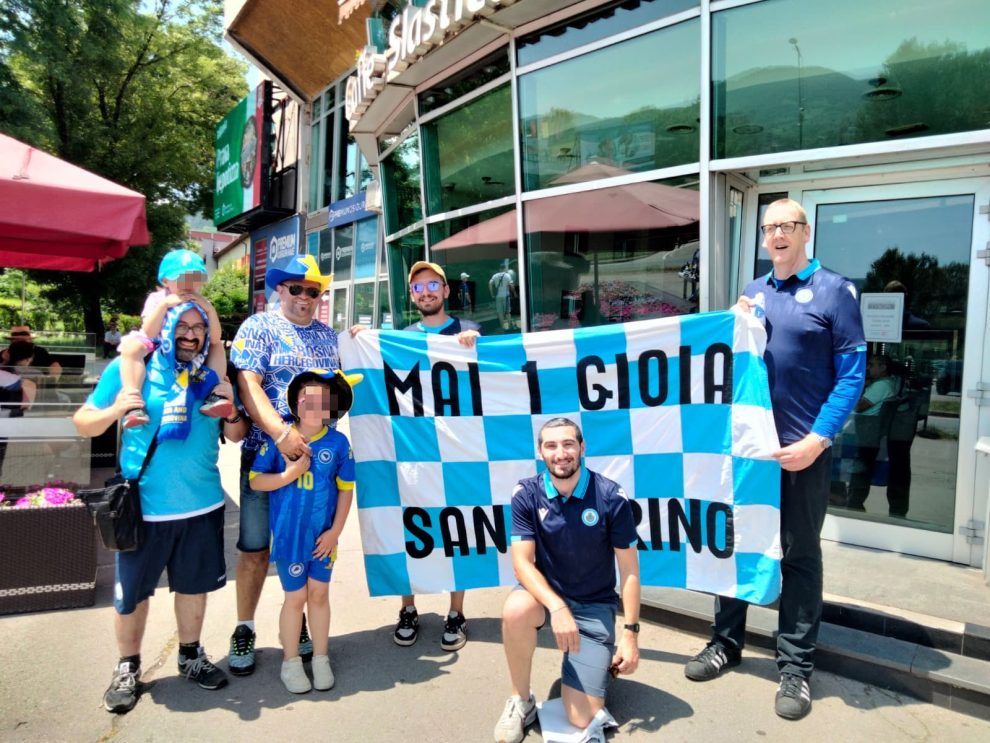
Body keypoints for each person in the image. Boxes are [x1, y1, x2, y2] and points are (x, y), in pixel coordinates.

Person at [684, 198, 866, 720]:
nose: (777, 235)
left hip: (803, 452)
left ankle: (796, 668)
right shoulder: (753, 291)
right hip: (749, 450)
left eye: (787, 225)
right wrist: (730, 324)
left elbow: (852, 375)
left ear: (806, 232)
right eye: (769, 228)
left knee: (798, 554)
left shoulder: (835, 290)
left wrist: (818, 439)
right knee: (735, 543)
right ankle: (726, 642)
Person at [73, 302, 247, 715]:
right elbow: (83, 423)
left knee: (193, 588)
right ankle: (127, 666)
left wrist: (232, 411)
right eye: (181, 326)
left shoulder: (211, 376)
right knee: (131, 597)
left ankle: (190, 655)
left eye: (198, 328)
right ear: (165, 330)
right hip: (143, 509)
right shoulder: (131, 371)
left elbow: (237, 434)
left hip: (202, 506)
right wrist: (117, 410)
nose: (190, 334)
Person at [227, 253, 340, 677]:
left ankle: (298, 621)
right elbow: (247, 384)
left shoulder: (329, 338)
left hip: (317, 466)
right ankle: (244, 627)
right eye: (296, 288)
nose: (304, 297)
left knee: (307, 546)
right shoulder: (258, 327)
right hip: (267, 457)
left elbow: (349, 384)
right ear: (280, 289)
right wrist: (280, 434)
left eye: (313, 290)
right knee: (255, 550)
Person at [494, 418, 640, 743]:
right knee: (516, 609)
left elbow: (629, 570)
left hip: (593, 605)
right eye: (551, 445)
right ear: (540, 452)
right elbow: (521, 564)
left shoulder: (611, 496)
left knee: (580, 718)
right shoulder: (526, 493)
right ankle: (521, 701)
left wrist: (631, 634)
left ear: (582, 447)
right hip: (548, 599)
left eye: (568, 444)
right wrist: (558, 607)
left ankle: (588, 667)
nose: (560, 453)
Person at [386, 260, 480, 650]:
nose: (425, 293)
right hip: (415, 451)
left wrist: (476, 343)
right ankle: (408, 608)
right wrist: (360, 339)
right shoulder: (402, 338)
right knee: (412, 527)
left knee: (458, 529)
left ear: (445, 290)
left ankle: (456, 613)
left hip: (458, 451)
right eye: (418, 287)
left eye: (432, 285)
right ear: (412, 296)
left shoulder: (468, 331)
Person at [248, 369, 359, 694]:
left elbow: (346, 489)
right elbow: (256, 481)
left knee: (319, 595)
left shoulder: (338, 443)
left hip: (323, 538)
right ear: (296, 403)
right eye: (307, 400)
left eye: (322, 401)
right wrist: (290, 474)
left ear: (330, 406)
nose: (314, 406)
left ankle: (321, 658)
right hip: (289, 537)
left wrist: (335, 532)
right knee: (295, 598)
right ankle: (291, 661)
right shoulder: (279, 439)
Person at [117, 249, 232, 429]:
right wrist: (164, 305)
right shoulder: (157, 299)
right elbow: (149, 332)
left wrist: (209, 310)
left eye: (194, 279)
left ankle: (215, 394)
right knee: (132, 348)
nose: (188, 284)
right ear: (165, 281)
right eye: (182, 278)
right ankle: (133, 402)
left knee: (217, 346)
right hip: (158, 341)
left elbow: (215, 337)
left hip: (191, 344)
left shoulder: (202, 302)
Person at [846, 354, 900, 510]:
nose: (868, 368)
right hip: (868, 432)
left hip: (865, 431)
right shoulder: (887, 383)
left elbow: (858, 406)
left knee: (858, 468)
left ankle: (853, 501)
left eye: (871, 365)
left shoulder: (881, 386)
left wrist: (859, 386)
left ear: (883, 367)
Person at [489, 259, 517, 330]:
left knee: (500, 312)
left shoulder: (495, 276)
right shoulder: (507, 275)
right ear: (504, 268)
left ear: (499, 269)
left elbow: (490, 283)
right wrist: (514, 293)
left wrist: (492, 293)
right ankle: (510, 326)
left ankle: (502, 327)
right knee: (507, 312)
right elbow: (511, 285)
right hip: (506, 296)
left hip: (498, 296)